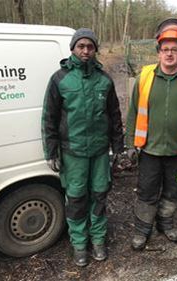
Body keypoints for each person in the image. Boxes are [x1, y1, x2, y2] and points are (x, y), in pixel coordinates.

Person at [41, 28, 124, 266]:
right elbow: (49, 117)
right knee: (76, 199)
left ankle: (98, 240)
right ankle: (79, 244)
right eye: (81, 46)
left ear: (95, 49)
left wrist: (118, 147)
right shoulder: (60, 79)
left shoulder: (104, 80)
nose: (86, 50)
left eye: (90, 46)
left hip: (99, 152)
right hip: (72, 153)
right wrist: (51, 151)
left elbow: (115, 115)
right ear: (73, 49)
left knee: (99, 196)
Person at [126, 18, 177, 250]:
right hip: (150, 151)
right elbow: (132, 112)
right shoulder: (145, 77)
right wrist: (130, 144)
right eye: (165, 49)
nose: (169, 54)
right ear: (159, 52)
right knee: (147, 192)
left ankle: (165, 222)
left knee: (175, 191)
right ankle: (143, 230)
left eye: (175, 49)